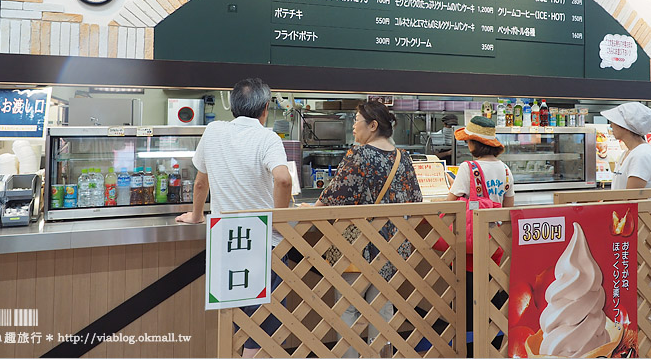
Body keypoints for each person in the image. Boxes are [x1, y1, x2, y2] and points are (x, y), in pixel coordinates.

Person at [176, 77, 292, 358]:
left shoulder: (213, 131)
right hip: (266, 245)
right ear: (265, 108)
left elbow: (201, 183)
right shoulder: (267, 138)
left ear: (233, 106)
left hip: (227, 242)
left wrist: (195, 215)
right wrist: (278, 220)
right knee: (266, 326)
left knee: (234, 319)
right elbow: (284, 180)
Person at [305, 100, 422, 358]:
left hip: (357, 247)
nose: (354, 126)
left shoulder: (358, 155)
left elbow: (333, 197)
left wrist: (310, 208)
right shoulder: (404, 157)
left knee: (348, 307)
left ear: (373, 125)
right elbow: (416, 200)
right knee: (383, 306)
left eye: (357, 120)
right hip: (392, 247)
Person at [445, 115, 514, 353]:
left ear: (473, 143)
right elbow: (508, 208)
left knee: (468, 302)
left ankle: (470, 349)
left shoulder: (468, 168)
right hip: (496, 246)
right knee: (493, 298)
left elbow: (450, 204)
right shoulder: (505, 170)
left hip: (471, 244)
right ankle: (493, 347)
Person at [600, 102, 651, 189]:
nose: (611, 126)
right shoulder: (629, 152)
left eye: (613, 122)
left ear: (625, 127)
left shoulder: (642, 154)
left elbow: (632, 197)